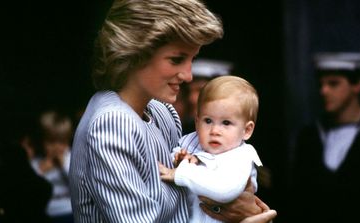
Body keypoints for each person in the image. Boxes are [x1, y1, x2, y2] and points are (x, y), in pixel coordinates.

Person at [69, 0, 276, 222]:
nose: (188, 75)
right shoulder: (112, 123)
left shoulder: (162, 111)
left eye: (191, 59)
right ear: (136, 53)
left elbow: (187, 202)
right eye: (176, 59)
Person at [288, 52, 360, 223]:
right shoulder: (310, 137)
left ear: (357, 85)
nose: (324, 91)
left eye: (333, 84)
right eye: (321, 84)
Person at [160, 75, 267, 223]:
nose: (215, 130)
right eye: (208, 121)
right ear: (197, 122)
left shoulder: (241, 157)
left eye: (226, 123)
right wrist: (179, 160)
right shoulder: (192, 142)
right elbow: (170, 160)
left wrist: (181, 172)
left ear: (247, 130)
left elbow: (224, 190)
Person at [30, 110, 74, 223]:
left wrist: (64, 165)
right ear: (41, 141)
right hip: (48, 212)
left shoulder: (71, 157)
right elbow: (30, 187)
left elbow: (77, 182)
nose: (56, 147)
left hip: (70, 209)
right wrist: (41, 170)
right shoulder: (37, 162)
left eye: (62, 142)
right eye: (51, 142)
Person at [179, 58, 233, 134]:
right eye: (188, 92)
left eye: (201, 91)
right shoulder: (184, 130)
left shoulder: (237, 130)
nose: (192, 99)